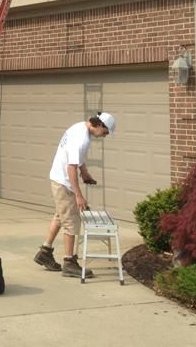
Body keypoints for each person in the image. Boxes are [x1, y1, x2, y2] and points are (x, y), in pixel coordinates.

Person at [34, 111, 116, 278]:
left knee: (60, 215)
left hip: (59, 179)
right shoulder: (82, 139)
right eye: (106, 132)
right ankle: (69, 263)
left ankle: (45, 252)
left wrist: (85, 173)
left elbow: (79, 160)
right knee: (72, 222)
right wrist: (78, 195)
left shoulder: (80, 127)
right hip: (63, 182)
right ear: (100, 125)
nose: (105, 136)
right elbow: (71, 167)